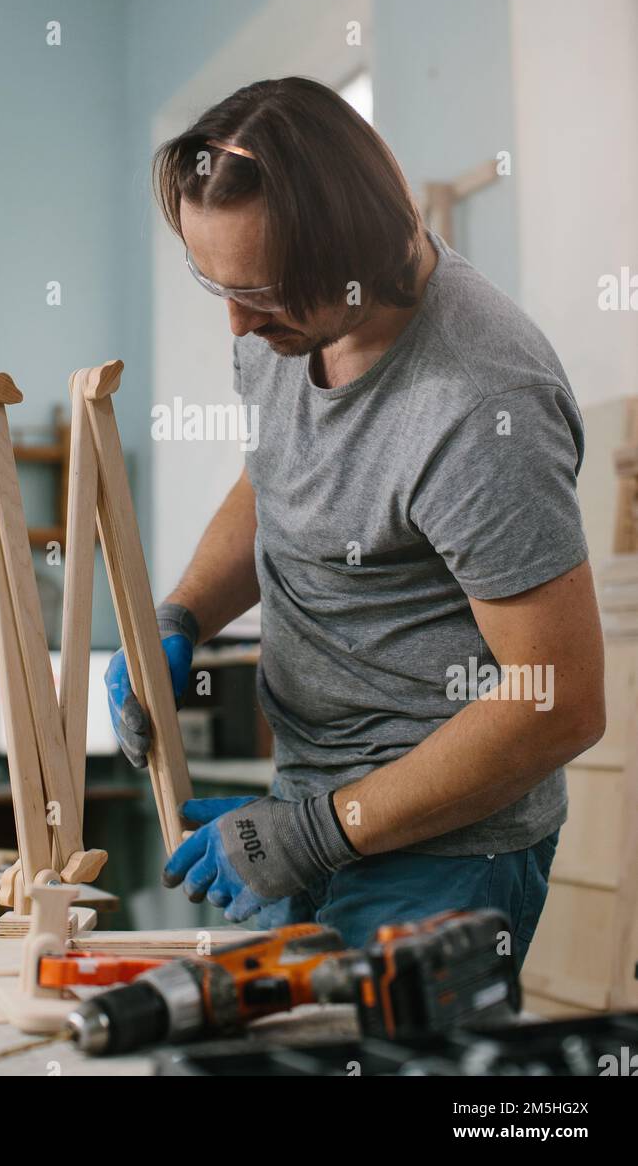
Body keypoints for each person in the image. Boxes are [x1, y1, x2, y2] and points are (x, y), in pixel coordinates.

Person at [104, 77, 604, 967]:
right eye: (213, 279)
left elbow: (558, 702)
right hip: (309, 809)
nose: (236, 320)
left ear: (351, 252)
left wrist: (320, 830)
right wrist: (181, 614)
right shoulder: (284, 325)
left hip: (443, 856)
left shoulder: (481, 401)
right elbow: (275, 478)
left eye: (261, 289)